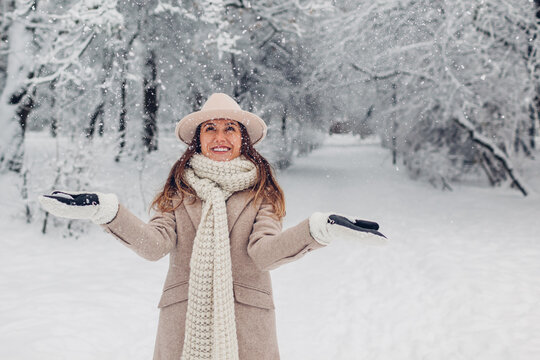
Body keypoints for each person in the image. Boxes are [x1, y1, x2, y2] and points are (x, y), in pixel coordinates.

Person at [38, 93, 387, 360]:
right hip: (184, 320)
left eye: (229, 128)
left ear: (242, 139)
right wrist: (106, 211)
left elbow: (264, 254)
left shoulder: (260, 193)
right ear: (199, 139)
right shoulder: (179, 190)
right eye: (211, 128)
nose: (220, 137)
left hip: (247, 325)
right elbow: (154, 245)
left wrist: (319, 229)